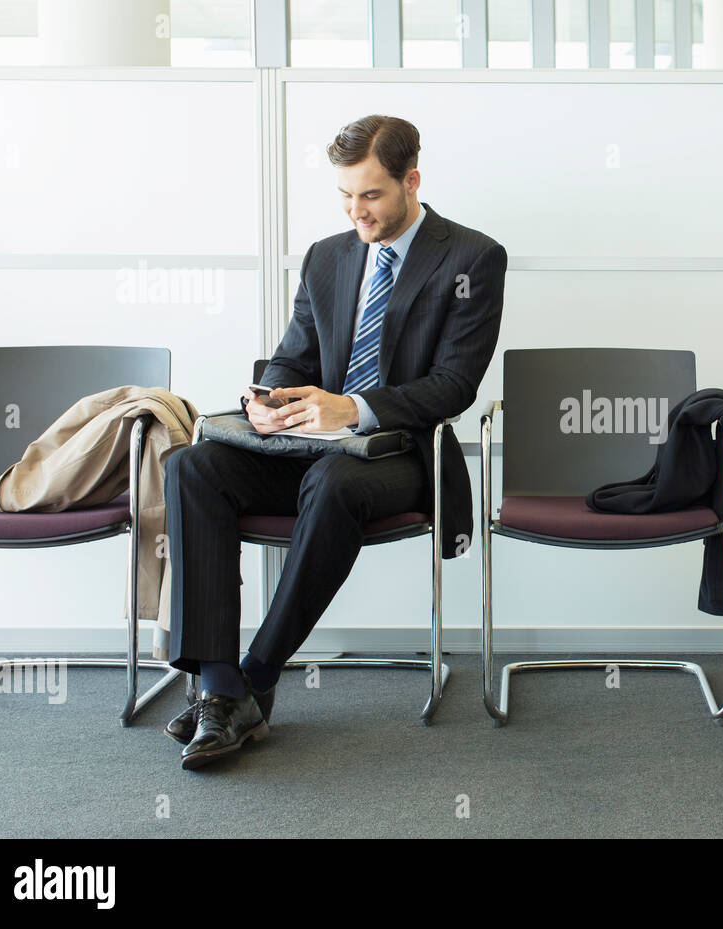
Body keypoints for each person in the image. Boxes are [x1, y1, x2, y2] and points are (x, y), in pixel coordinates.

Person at [163, 115, 507, 770]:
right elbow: (294, 357)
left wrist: (353, 407)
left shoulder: (472, 258)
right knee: (191, 465)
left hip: (397, 456)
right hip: (302, 448)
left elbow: (454, 385)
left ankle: (257, 672)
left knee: (336, 481)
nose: (357, 211)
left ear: (411, 181)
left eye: (371, 195)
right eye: (346, 196)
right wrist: (268, 401)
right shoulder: (328, 255)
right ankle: (219, 685)